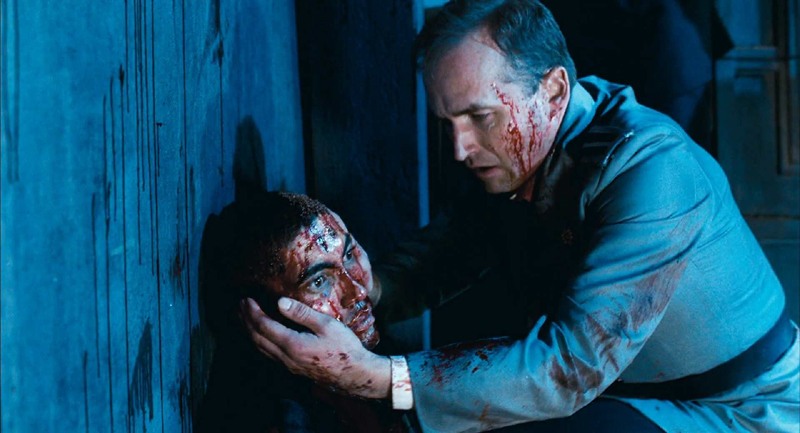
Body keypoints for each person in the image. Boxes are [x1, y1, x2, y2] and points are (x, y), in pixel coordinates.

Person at [240, 1, 799, 432]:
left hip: (749, 410)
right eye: (447, 122)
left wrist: (380, 378)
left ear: (553, 90)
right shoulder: (525, 145)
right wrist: (371, 287)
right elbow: (456, 245)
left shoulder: (655, 174)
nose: (460, 148)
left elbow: (569, 368)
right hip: (635, 390)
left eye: (479, 118)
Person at [197, 190, 410, 432]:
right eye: (319, 281)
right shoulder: (278, 419)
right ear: (262, 316)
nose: (359, 292)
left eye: (349, 255)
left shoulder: (386, 359)